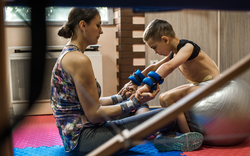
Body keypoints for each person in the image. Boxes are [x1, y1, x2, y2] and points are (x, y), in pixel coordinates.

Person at [50, 8, 177, 155]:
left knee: (135, 102)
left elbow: (92, 103)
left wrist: (123, 97)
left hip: (76, 136)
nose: (101, 31)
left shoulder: (69, 54)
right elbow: (94, 114)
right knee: (168, 115)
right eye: (98, 25)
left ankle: (153, 132)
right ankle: (163, 135)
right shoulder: (79, 60)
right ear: (83, 25)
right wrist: (135, 103)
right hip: (85, 140)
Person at [128, 19, 220, 151]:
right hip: (199, 84)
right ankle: (173, 133)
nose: (155, 52)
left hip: (212, 85)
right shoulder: (174, 52)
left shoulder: (188, 47)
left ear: (165, 39)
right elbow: (155, 66)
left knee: (167, 98)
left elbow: (168, 66)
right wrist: (134, 82)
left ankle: (188, 136)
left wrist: (147, 86)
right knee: (162, 98)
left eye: (154, 47)